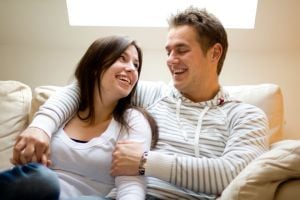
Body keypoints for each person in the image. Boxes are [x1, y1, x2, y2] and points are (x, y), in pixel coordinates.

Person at [11, 7, 269, 199]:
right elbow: (85, 87)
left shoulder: (246, 115)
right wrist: (41, 126)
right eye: (168, 51)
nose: (170, 59)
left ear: (214, 52)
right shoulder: (153, 95)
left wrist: (146, 161)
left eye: (181, 50)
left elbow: (234, 173)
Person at [1, 35, 158, 200]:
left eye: (136, 65)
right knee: (43, 179)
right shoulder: (64, 109)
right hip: (37, 193)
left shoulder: (133, 120)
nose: (132, 69)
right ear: (95, 66)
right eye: (122, 58)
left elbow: (132, 183)